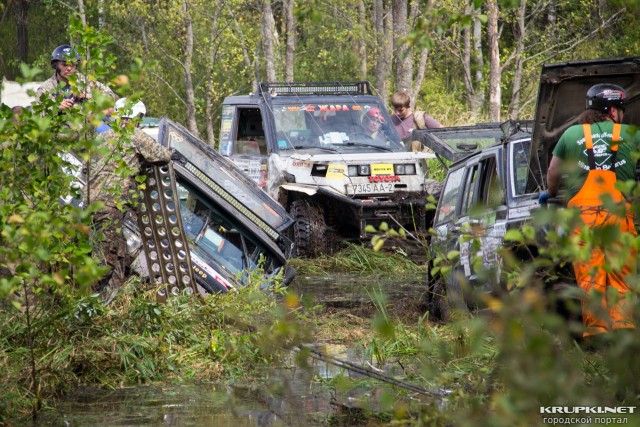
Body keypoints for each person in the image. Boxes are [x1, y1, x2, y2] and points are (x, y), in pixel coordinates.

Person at [541, 83, 638, 338]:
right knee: (620, 271)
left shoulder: (571, 135)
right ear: (613, 111)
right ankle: (623, 328)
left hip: (582, 217)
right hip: (619, 213)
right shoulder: (632, 134)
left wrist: (550, 194)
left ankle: (596, 331)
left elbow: (553, 172)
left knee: (590, 273)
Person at [88, 98, 170, 300]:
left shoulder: (104, 136)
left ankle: (107, 303)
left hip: (93, 203)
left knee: (119, 252)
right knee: (105, 259)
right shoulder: (134, 135)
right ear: (136, 118)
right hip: (110, 205)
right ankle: (84, 305)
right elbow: (163, 155)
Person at [36, 45, 116, 113]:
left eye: (73, 64)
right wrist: (57, 108)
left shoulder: (85, 81)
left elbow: (111, 98)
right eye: (64, 65)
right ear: (55, 65)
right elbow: (37, 116)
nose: (69, 68)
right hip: (61, 129)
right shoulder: (46, 88)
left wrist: (88, 96)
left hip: (87, 128)